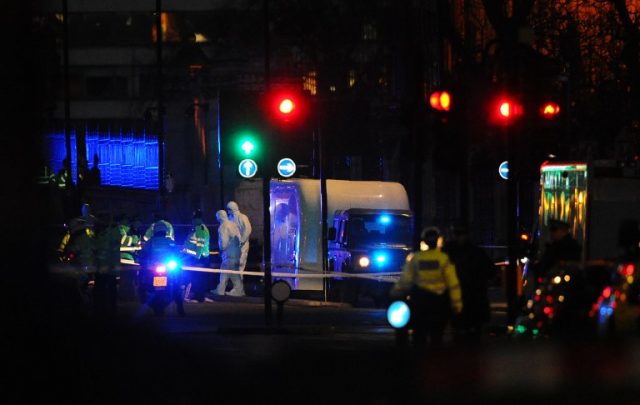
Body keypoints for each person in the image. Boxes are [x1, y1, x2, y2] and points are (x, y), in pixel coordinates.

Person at [390, 226, 463, 348]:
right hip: (439, 304)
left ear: (423, 240)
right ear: (438, 240)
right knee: (437, 337)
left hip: (420, 303)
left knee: (419, 336)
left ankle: (419, 360)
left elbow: (406, 281)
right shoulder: (443, 259)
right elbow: (453, 284)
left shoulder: (416, 258)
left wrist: (394, 293)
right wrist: (457, 305)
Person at [443, 224, 495, 343]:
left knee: (459, 331)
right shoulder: (476, 252)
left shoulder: (448, 252)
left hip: (461, 296)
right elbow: (490, 271)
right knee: (473, 333)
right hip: (473, 296)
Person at [138, 221, 185, 316]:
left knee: (177, 280)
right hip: (161, 268)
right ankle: (180, 308)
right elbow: (177, 253)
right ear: (165, 231)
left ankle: (142, 293)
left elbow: (142, 254)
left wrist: (140, 259)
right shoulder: (169, 241)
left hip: (158, 267)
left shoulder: (150, 242)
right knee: (177, 284)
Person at [213, 209, 244, 297]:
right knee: (224, 271)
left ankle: (238, 291)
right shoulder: (232, 224)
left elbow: (224, 242)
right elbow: (238, 236)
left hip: (229, 252)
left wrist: (221, 249)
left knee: (233, 273)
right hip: (236, 251)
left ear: (219, 217)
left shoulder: (223, 226)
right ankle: (220, 289)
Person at [182, 209, 210, 302]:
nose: (193, 220)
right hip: (196, 257)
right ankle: (197, 295)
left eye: (195, 218)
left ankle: (198, 296)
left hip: (198, 258)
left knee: (197, 277)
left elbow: (200, 245)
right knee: (196, 277)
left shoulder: (200, 228)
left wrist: (196, 258)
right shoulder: (197, 228)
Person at [226, 201, 252, 277]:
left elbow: (248, 229)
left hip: (242, 245)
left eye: (229, 209)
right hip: (233, 246)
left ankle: (239, 286)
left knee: (240, 265)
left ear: (232, 209)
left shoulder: (242, 217)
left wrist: (242, 240)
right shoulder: (229, 219)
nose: (228, 211)